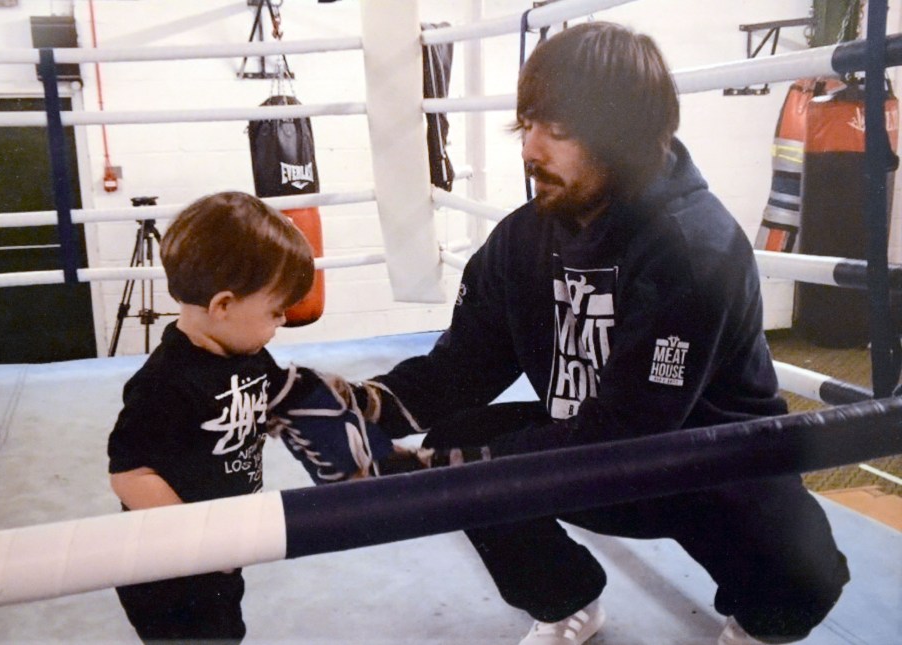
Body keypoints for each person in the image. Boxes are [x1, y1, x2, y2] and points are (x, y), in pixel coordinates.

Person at [362, 22, 850, 645]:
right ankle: (565, 600)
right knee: (462, 442)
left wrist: (432, 465)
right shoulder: (524, 237)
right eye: (529, 124)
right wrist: (353, 409)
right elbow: (458, 370)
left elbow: (630, 428)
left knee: (803, 586)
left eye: (558, 130)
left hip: (706, 467)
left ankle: (762, 619)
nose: (531, 149)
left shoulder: (692, 250)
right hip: (589, 451)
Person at [106, 191, 404, 642]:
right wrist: (199, 542)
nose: (282, 320)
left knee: (227, 630)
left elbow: (289, 400)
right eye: (274, 310)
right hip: (167, 566)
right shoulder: (164, 383)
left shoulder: (246, 354)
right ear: (223, 305)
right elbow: (130, 473)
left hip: (224, 548)